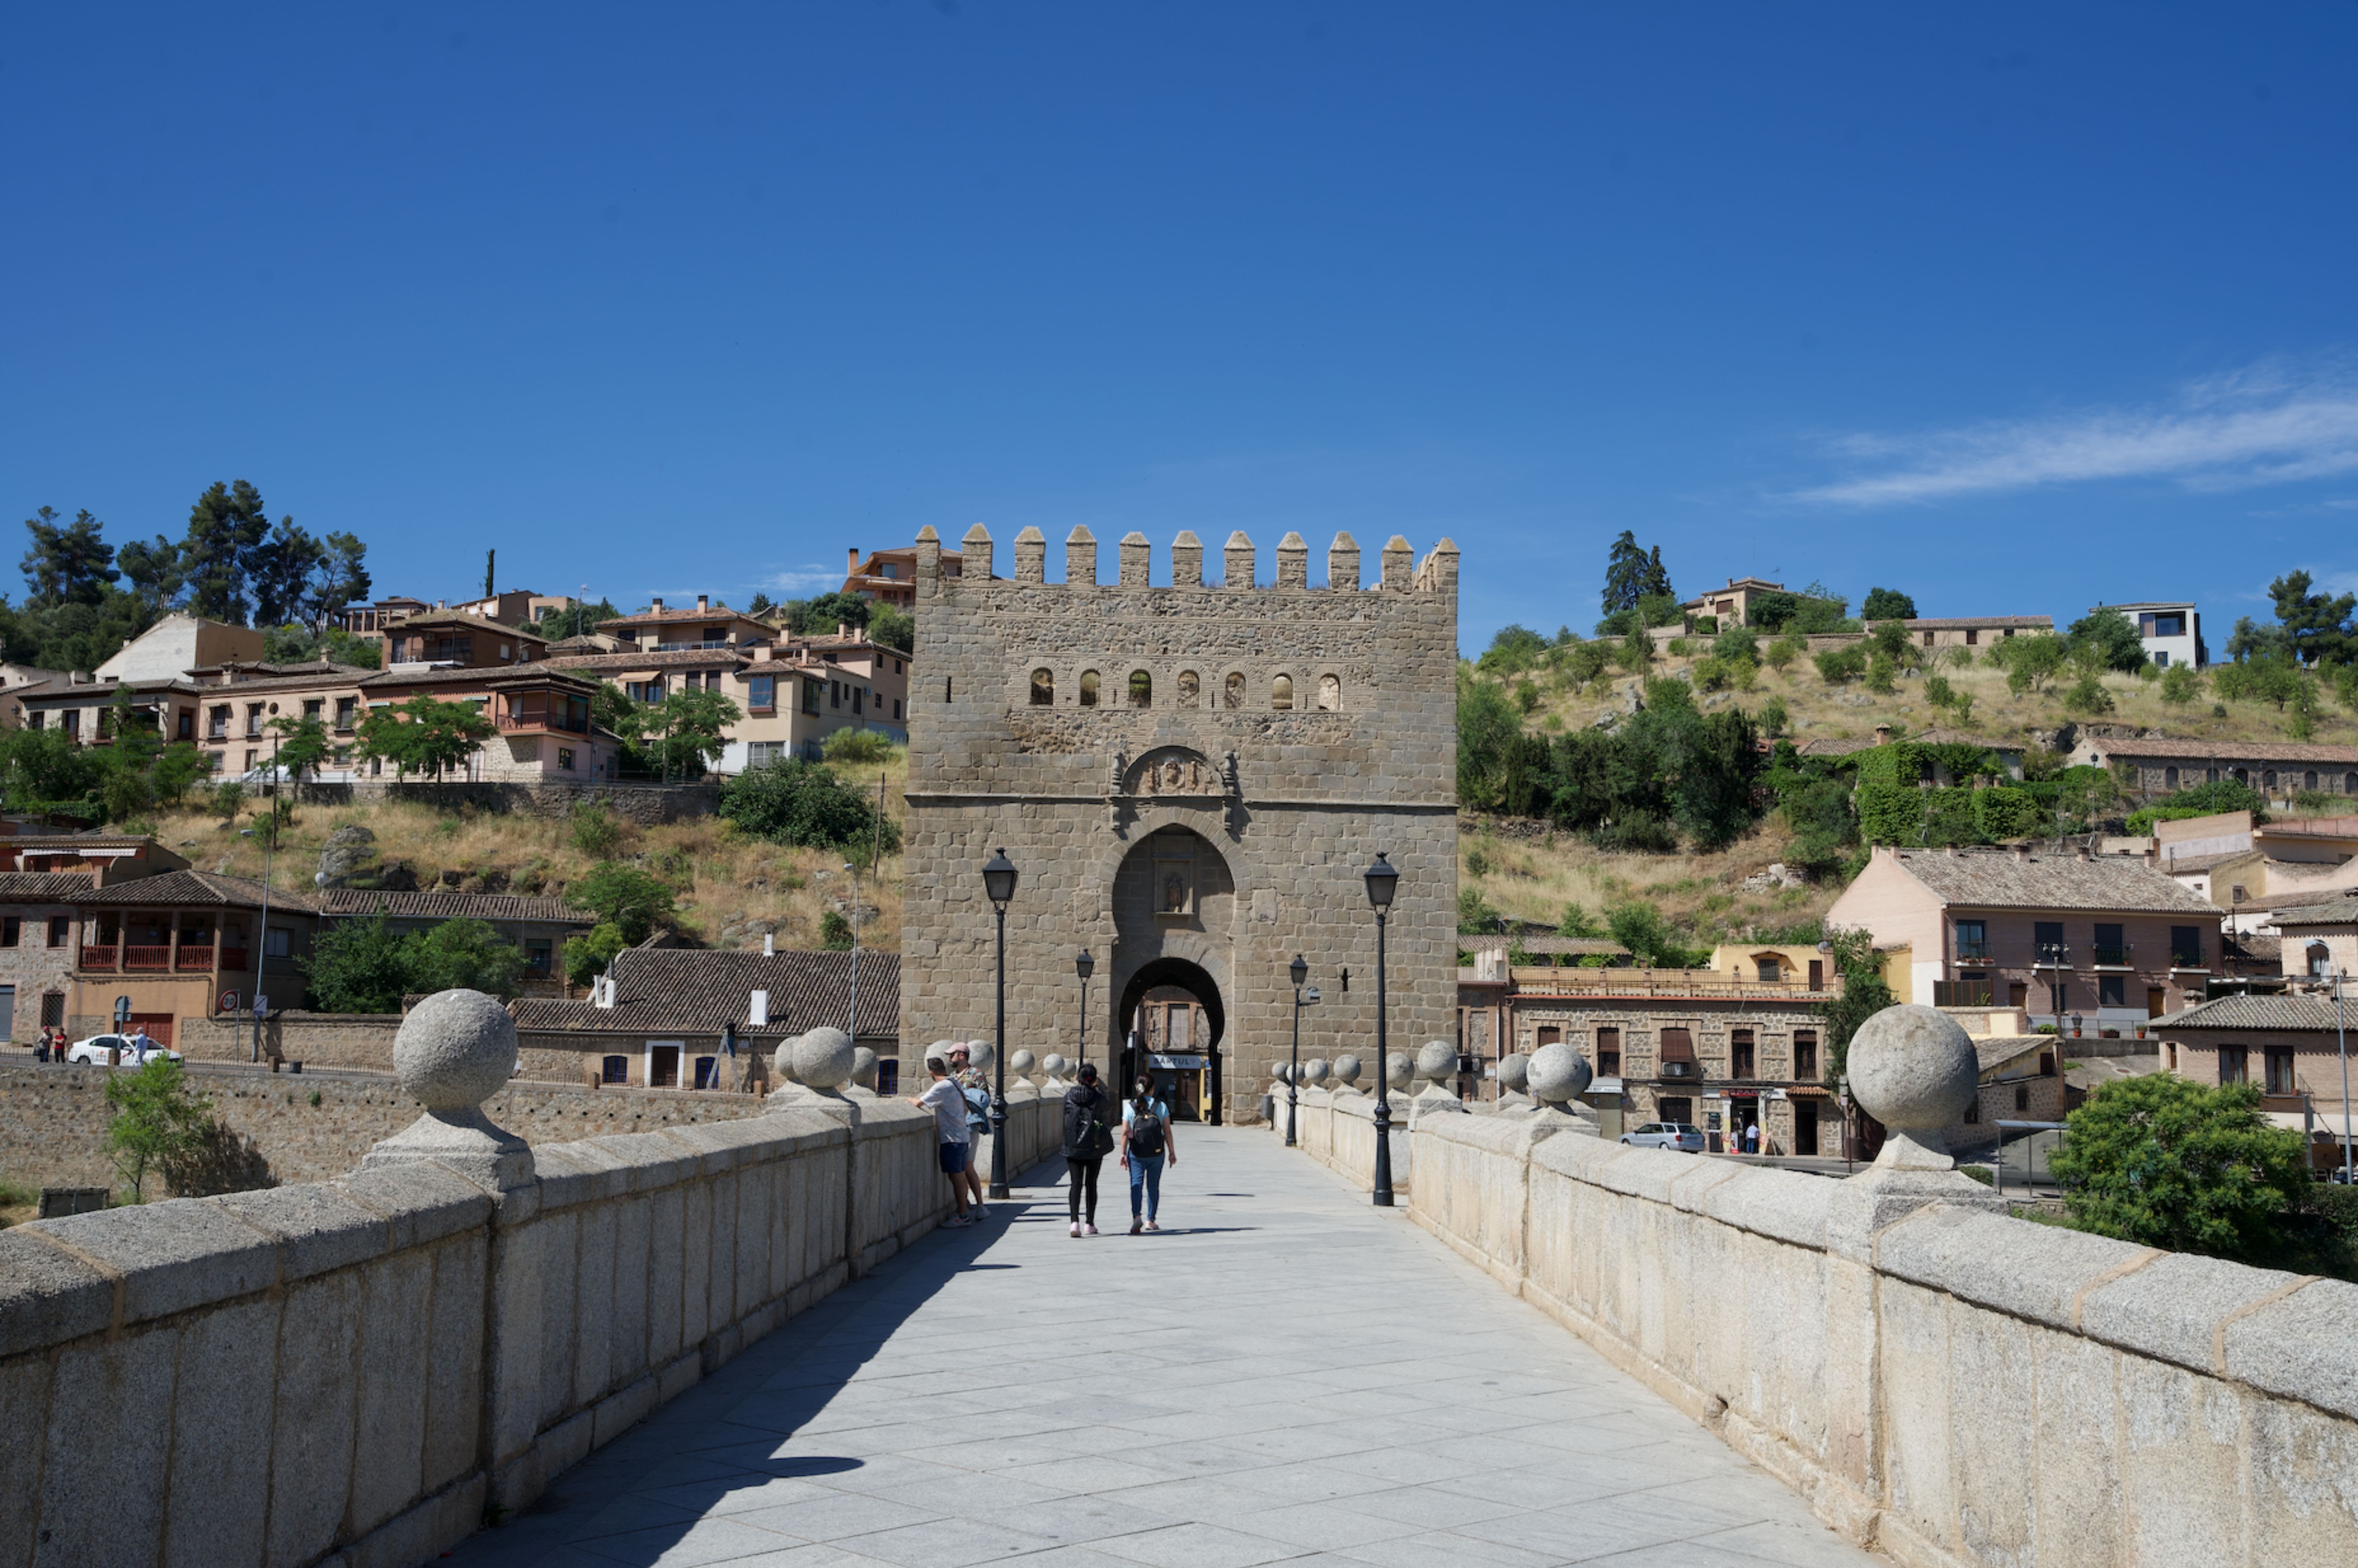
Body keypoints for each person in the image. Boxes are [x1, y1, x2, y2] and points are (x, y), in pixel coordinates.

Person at [907, 1054, 976, 1226]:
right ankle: (964, 1210)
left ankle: (963, 1215)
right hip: (962, 1135)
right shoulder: (954, 1083)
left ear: (931, 1073)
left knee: (957, 1177)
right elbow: (966, 1109)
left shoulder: (942, 1087)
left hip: (952, 1139)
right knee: (959, 1175)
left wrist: (907, 1099)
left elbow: (918, 1103)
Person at [1119, 1076, 1177, 1234]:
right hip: (1157, 1153)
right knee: (1153, 1186)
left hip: (1136, 1153)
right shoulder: (1161, 1106)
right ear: (1152, 1089)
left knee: (1136, 1184)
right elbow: (1167, 1132)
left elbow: (1125, 1132)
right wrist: (1172, 1152)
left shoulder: (1130, 1107)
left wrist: (1123, 1153)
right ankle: (1151, 1220)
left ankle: (1137, 1216)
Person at [1062, 1063, 1114, 1237]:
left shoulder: (1069, 1096)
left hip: (1073, 1146)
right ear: (1094, 1079)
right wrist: (1098, 1089)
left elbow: (1066, 1113)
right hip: (1094, 1145)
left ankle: (1074, 1223)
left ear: (1079, 1078)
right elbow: (1107, 1110)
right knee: (1091, 1184)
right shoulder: (1098, 1097)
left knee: (1075, 1184)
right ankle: (1089, 1223)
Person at [945, 1042, 989, 1215]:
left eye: (952, 1055)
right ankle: (966, 1202)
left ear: (962, 1055)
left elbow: (985, 1099)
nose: (950, 1058)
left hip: (970, 1125)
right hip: (955, 1125)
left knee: (967, 1166)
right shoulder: (952, 1077)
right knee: (960, 1167)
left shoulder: (976, 1074)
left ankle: (980, 1206)